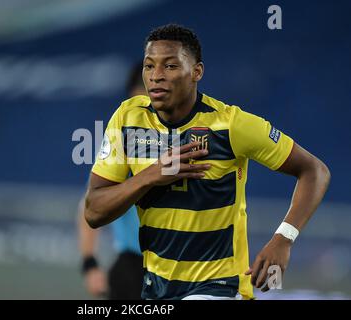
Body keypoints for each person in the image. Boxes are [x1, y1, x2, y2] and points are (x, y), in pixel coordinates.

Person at [84, 24, 331, 300]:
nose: (156, 77)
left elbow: (314, 170)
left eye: (170, 66)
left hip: (220, 288)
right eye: (149, 66)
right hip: (155, 288)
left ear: (197, 72)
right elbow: (93, 212)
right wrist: (150, 175)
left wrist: (283, 239)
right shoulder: (128, 119)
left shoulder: (230, 124)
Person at [78, 63, 146, 300]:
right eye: (134, 105)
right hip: (132, 270)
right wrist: (89, 262)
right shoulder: (122, 146)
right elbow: (90, 206)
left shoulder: (183, 142)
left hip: (180, 269)